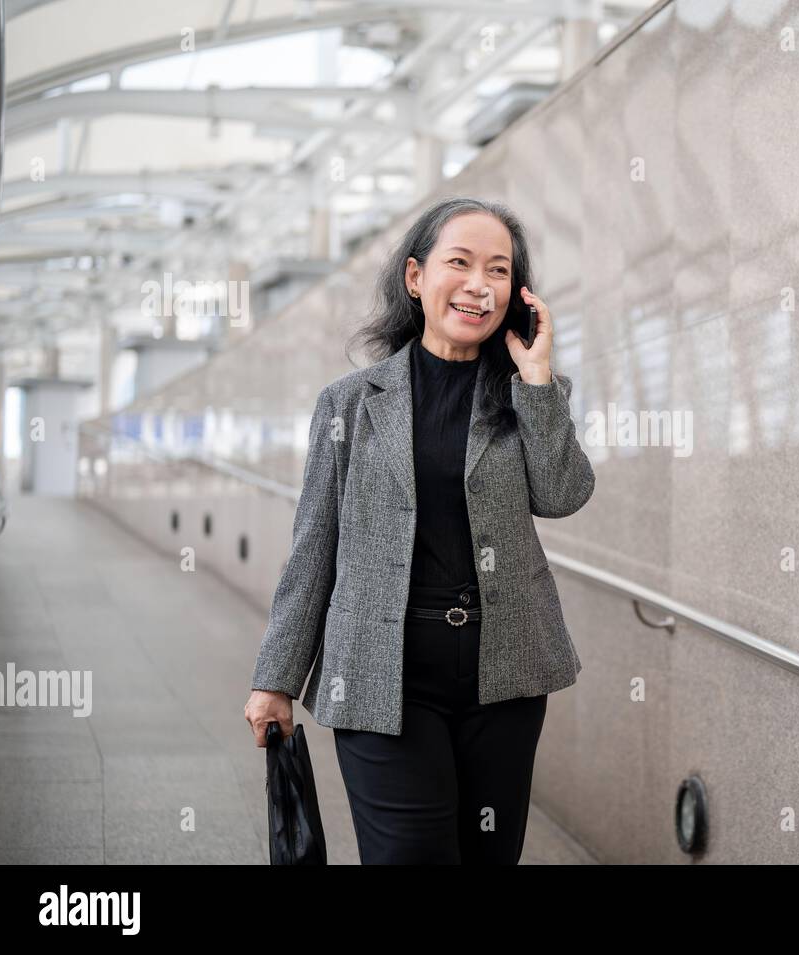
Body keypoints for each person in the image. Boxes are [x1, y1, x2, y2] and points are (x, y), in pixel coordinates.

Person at [242, 197, 594, 864]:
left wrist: (539, 380)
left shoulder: (528, 394)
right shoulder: (350, 403)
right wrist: (275, 677)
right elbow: (314, 549)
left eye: (498, 269)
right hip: (381, 675)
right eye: (458, 263)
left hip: (505, 676)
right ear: (415, 277)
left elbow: (563, 493)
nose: (478, 284)